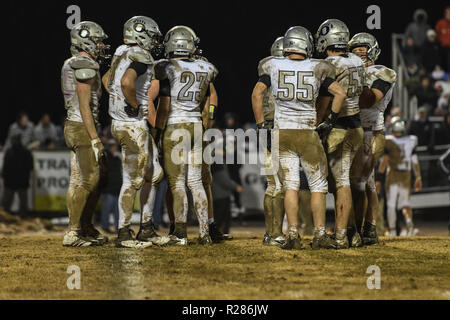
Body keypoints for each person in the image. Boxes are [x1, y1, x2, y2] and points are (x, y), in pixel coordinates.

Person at [252, 25, 346, 250]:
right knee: (317, 185)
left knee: (290, 185)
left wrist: (260, 125)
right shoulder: (317, 67)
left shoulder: (272, 64)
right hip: (306, 131)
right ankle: (319, 234)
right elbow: (340, 93)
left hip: (282, 132)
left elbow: (257, 93)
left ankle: (293, 234)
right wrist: (330, 121)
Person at [102, 16, 164, 247]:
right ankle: (124, 233)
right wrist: (134, 105)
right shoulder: (140, 56)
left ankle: (146, 228)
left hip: (122, 123)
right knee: (132, 179)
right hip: (132, 125)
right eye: (153, 36)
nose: (155, 41)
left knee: (154, 173)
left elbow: (107, 79)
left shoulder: (121, 52)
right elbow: (127, 82)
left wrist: (118, 104)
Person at [153, 26, 218, 245]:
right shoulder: (205, 67)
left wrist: (157, 133)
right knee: (196, 182)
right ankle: (204, 232)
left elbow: (164, 105)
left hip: (175, 125)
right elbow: (207, 101)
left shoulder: (167, 67)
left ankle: (180, 233)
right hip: (196, 125)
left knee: (177, 183)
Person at [315, 19, 365, 249]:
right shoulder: (357, 60)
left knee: (341, 182)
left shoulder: (328, 64)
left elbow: (326, 100)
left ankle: (341, 235)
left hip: (338, 127)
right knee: (346, 182)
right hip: (357, 125)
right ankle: (352, 232)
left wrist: (321, 123)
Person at [61, 21, 109, 247]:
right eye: (98, 41)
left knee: (86, 179)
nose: (101, 45)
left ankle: (85, 226)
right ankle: (73, 232)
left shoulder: (75, 62)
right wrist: (95, 138)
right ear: (86, 40)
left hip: (76, 125)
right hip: (81, 127)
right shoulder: (83, 63)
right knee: (90, 179)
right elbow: (84, 106)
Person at [348, 32, 397, 246]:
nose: (359, 55)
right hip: (354, 131)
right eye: (355, 51)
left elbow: (369, 100)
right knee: (366, 183)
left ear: (373, 51)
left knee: (361, 182)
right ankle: (368, 228)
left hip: (372, 133)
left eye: (363, 51)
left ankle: (361, 227)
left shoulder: (382, 72)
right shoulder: (352, 70)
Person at [254, 36, 286, 247]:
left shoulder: (265, 65)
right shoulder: (280, 67)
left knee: (272, 185)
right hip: (277, 125)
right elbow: (257, 94)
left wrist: (259, 124)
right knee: (281, 185)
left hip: (265, 124)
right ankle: (276, 233)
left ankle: (269, 233)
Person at [379, 120, 422, 236]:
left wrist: (378, 177)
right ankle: (409, 224)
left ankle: (392, 231)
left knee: (391, 205)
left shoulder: (388, 140)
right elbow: (414, 160)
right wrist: (418, 177)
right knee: (405, 203)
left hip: (392, 174)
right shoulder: (411, 140)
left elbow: (385, 160)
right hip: (405, 175)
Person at [1, 135, 33, 217]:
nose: (13, 142)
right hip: (11, 181)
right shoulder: (9, 152)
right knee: (6, 203)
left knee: (23, 203)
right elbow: (5, 166)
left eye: (14, 140)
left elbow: (30, 167)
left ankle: (23, 218)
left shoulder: (25, 152)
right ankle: (5, 217)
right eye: (13, 140)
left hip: (20, 181)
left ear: (19, 140)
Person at [100, 140, 122, 233]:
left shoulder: (116, 157)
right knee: (107, 209)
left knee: (117, 211)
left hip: (116, 188)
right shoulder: (107, 158)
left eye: (115, 146)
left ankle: (118, 227)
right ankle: (105, 226)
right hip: (108, 189)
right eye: (113, 146)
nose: (115, 148)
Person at [435, 6, 450, 71]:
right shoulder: (440, 23)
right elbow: (436, 35)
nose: (448, 14)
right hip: (443, 48)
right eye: (447, 13)